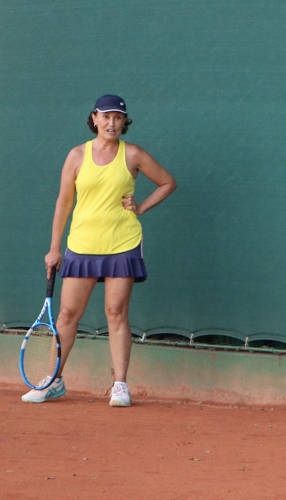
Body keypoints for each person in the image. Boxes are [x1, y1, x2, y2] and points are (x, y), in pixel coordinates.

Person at [24, 95, 177, 406]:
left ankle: (120, 385)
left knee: (116, 312)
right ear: (94, 118)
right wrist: (55, 248)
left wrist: (141, 207)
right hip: (81, 246)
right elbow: (64, 203)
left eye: (118, 118)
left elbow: (167, 182)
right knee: (67, 314)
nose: (112, 123)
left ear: (124, 122)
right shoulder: (76, 155)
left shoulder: (133, 154)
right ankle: (53, 380)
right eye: (106, 116)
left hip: (122, 244)